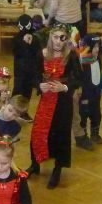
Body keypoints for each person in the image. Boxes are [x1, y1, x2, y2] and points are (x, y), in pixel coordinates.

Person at [28, 25, 82, 189]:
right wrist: (39, 85)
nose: (58, 41)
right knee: (38, 131)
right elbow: (34, 75)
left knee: (60, 134)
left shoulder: (71, 55)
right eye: (55, 37)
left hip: (63, 102)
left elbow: (78, 78)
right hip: (46, 100)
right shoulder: (42, 54)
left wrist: (64, 87)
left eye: (62, 37)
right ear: (50, 37)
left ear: (66, 39)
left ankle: (57, 168)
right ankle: (35, 164)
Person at [12, 14, 42, 119]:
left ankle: (23, 112)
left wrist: (31, 42)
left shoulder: (36, 39)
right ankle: (13, 110)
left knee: (28, 92)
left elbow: (37, 53)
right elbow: (17, 52)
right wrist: (25, 43)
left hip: (31, 70)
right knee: (18, 90)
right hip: (20, 71)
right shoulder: (16, 39)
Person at [77, 35, 102, 149]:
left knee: (96, 114)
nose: (97, 49)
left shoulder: (98, 59)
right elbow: (79, 78)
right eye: (94, 47)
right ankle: (82, 137)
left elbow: (99, 74)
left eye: (98, 46)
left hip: (96, 92)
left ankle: (95, 134)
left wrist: (101, 87)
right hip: (85, 93)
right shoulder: (83, 62)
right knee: (83, 114)